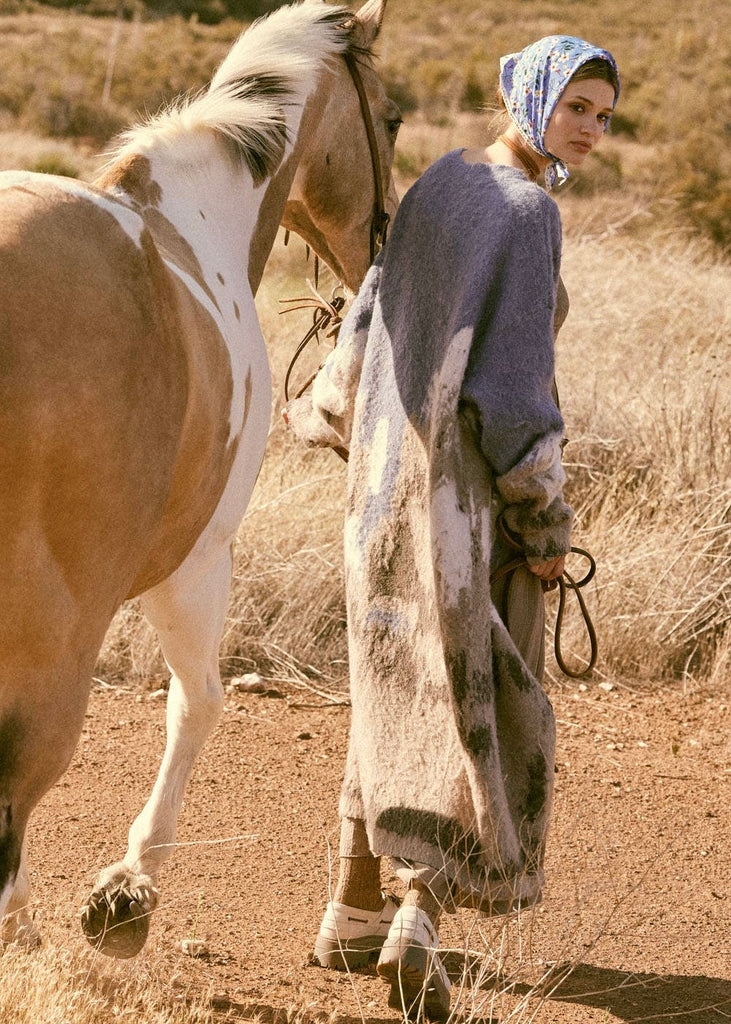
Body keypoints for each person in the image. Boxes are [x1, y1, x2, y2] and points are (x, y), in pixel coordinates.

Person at [285, 35, 620, 1020]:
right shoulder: (527, 212)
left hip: (379, 491)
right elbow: (512, 396)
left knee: (391, 686)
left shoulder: (439, 180)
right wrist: (543, 520)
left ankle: (349, 912)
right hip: (463, 507)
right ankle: (417, 923)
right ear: (528, 97)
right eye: (575, 107)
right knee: (477, 706)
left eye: (603, 116)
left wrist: (335, 417)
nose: (590, 130)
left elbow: (366, 316)